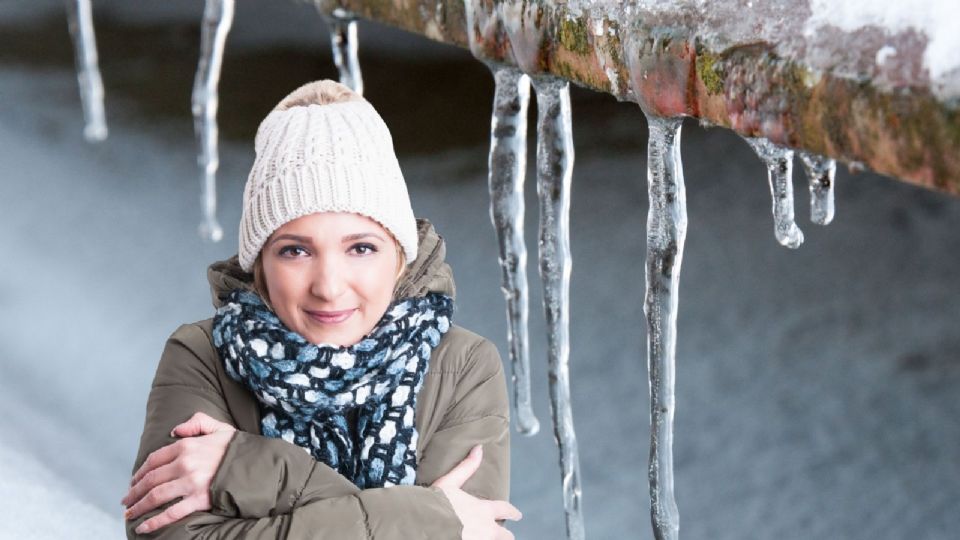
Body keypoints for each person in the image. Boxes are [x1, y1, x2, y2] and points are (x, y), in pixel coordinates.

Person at [122, 80, 521, 539]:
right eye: (295, 251)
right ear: (260, 266)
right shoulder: (202, 356)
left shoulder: (463, 366)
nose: (329, 287)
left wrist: (250, 469)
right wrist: (428, 517)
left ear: (400, 257)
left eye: (362, 248)